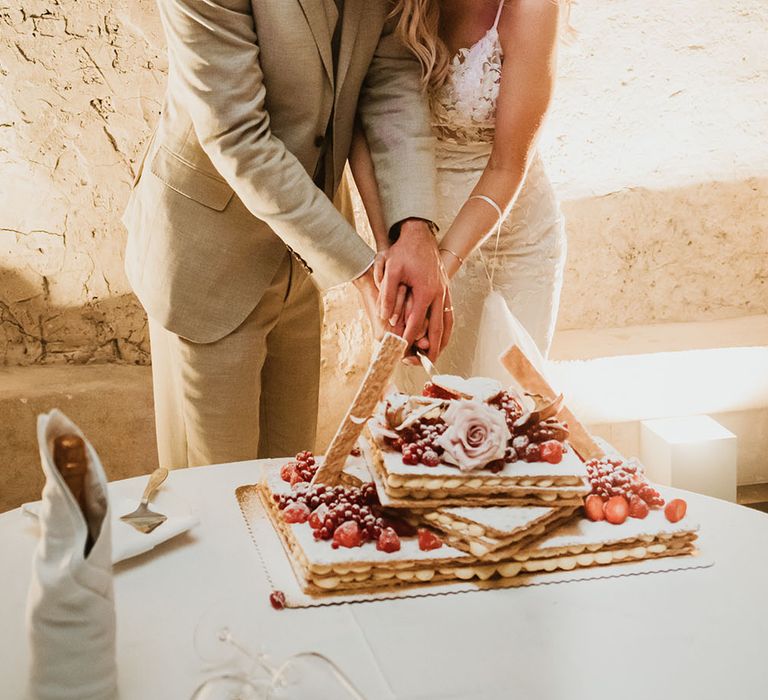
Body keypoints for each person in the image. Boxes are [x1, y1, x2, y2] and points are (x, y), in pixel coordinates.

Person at [122, 0, 452, 469]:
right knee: (215, 497)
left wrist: (414, 230)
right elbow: (238, 137)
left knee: (289, 480)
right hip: (207, 263)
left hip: (305, 259)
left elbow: (390, 81)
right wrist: (365, 272)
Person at [349, 0, 569, 386]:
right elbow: (362, 129)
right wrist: (388, 249)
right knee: (422, 411)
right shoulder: (389, 6)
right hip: (409, 233)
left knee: (508, 410)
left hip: (510, 240)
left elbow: (508, 164)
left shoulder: (533, 8)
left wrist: (440, 271)